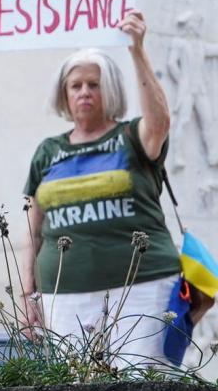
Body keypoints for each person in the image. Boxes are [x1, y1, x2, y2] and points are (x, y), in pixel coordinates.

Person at [18, 20, 179, 363]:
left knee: (141, 385)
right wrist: (27, 293)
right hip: (63, 295)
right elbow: (32, 230)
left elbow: (161, 122)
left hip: (143, 288)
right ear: (64, 94)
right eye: (75, 85)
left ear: (111, 91)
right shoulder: (47, 151)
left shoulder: (132, 136)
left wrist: (137, 50)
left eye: (94, 84)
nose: (84, 92)